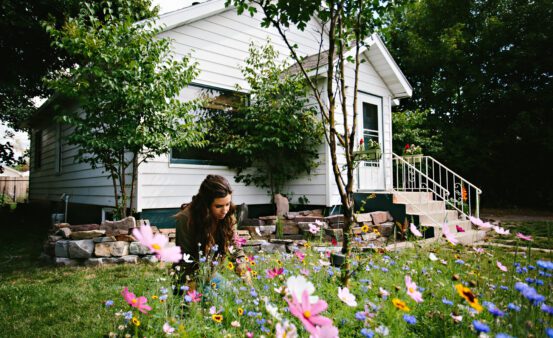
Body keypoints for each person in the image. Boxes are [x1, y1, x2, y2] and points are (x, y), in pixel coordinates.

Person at [174, 175, 251, 291]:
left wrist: (242, 268)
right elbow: (185, 261)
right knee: (216, 304)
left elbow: (235, 248)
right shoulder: (187, 219)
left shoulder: (228, 216)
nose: (225, 210)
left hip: (209, 275)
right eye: (218, 206)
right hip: (188, 278)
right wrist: (193, 299)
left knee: (233, 296)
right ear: (206, 204)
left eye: (227, 204)